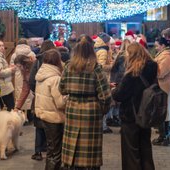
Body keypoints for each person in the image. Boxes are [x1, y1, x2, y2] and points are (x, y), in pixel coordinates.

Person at [59, 35, 111, 170]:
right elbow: (105, 96)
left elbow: (62, 89)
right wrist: (102, 110)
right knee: (89, 151)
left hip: (72, 109)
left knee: (72, 148)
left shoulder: (68, 67)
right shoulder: (95, 68)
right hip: (91, 112)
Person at [112, 42, 158, 170]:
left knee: (131, 152)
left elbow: (119, 95)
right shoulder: (152, 68)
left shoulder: (131, 75)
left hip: (131, 115)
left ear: (131, 56)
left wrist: (114, 90)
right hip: (146, 114)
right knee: (145, 149)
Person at [35, 49, 67, 170]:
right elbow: (60, 103)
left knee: (51, 150)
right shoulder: (55, 78)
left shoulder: (41, 74)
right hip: (54, 117)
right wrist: (68, 98)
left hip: (44, 115)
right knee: (55, 152)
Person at [29, 39, 56, 161]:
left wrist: (37, 91)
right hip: (52, 96)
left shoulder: (38, 60)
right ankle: (52, 151)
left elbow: (31, 80)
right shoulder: (56, 61)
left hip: (39, 97)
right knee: (52, 124)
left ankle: (38, 151)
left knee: (39, 125)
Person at [152, 37, 170, 146]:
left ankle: (164, 136)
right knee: (163, 110)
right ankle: (163, 136)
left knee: (163, 110)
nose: (156, 48)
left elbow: (160, 73)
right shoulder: (164, 55)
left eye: (157, 46)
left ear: (162, 45)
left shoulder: (167, 56)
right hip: (164, 84)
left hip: (164, 85)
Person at [11, 38, 36, 123]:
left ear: (24, 64)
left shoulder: (35, 68)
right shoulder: (25, 71)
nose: (18, 68)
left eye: (19, 66)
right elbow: (25, 90)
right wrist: (17, 108)